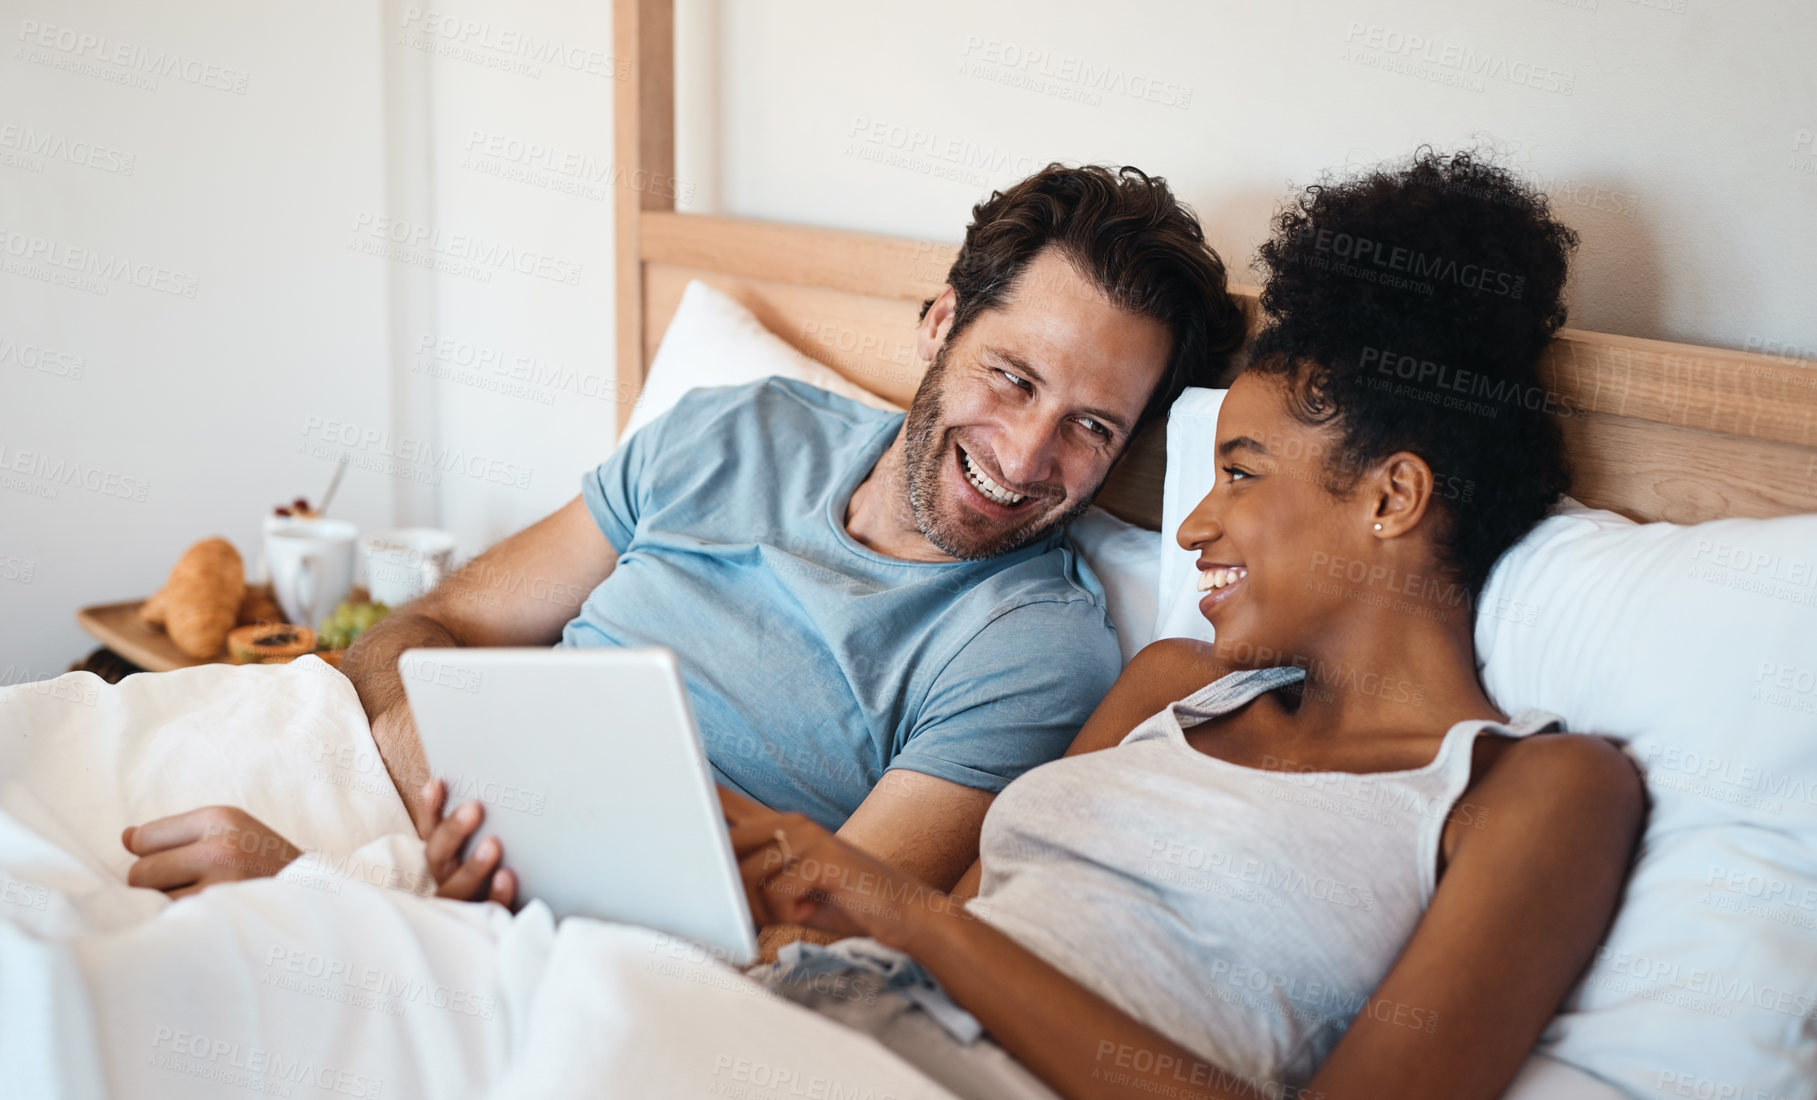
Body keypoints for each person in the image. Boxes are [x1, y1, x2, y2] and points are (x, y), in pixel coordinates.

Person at [702, 149, 1644, 1100]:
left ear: (1392, 495)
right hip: (798, 1031)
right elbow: (932, 933)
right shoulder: (1172, 685)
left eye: (1238, 472)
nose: (1192, 526)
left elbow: (933, 933)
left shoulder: (1542, 788)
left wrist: (915, 921)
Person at [119, 165, 1248, 930]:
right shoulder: (741, 426)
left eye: (1090, 427)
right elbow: (444, 623)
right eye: (1012, 377)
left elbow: (819, 932)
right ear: (939, 323)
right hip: (417, 795)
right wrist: (430, 761)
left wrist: (366, 892)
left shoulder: (1034, 646)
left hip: (551, 916)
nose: (1025, 451)